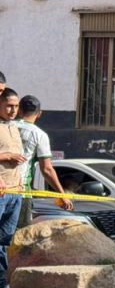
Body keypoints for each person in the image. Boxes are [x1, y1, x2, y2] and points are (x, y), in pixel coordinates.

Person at [16, 95, 73, 228]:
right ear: (39, 113)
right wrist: (62, 195)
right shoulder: (39, 135)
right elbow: (47, 169)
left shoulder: (6, 127)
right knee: (18, 237)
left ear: (19, 110)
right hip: (21, 191)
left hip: (4, 188)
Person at [0, 89, 26, 288]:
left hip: (14, 192)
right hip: (0, 192)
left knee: (4, 241)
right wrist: (6, 155)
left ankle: (2, 286)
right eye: (9, 105)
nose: (13, 110)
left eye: (16, 106)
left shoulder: (14, 127)